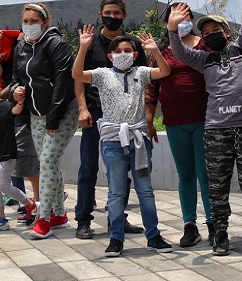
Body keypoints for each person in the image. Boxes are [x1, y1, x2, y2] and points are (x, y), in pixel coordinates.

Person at [166, 0, 242, 256]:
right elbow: (181, 54)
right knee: (217, 185)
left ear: (227, 33)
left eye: (216, 31)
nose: (211, 34)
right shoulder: (202, 59)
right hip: (217, 130)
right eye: (206, 32)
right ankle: (219, 233)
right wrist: (173, 30)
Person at [72, 26, 174, 257]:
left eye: (128, 50)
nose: (123, 54)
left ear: (135, 54)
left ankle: (154, 235)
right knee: (116, 192)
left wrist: (155, 50)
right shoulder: (102, 74)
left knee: (145, 190)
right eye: (118, 51)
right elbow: (77, 75)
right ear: (110, 56)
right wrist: (83, 47)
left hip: (139, 139)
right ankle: (116, 238)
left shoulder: (142, 72)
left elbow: (164, 72)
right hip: (112, 142)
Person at [73, 0, 146, 240]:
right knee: (89, 167)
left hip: (125, 117)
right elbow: (78, 77)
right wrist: (83, 109)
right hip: (95, 113)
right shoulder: (90, 42)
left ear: (124, 15)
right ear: (100, 13)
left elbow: (143, 80)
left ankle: (118, 218)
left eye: (116, 12)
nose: (111, 16)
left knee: (122, 168)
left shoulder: (133, 43)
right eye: (107, 12)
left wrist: (146, 117)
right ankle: (83, 219)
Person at [147, 1, 212, 247]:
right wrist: (149, 117)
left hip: (205, 118)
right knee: (185, 174)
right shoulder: (161, 51)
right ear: (168, 22)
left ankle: (214, 223)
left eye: (185, 16)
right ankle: (189, 225)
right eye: (175, 16)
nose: (181, 21)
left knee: (205, 173)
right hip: (175, 121)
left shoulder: (204, 45)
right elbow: (151, 85)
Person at [12, 2, 76, 240]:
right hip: (35, 113)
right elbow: (16, 78)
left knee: (47, 160)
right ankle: (59, 215)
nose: (29, 25)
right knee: (49, 163)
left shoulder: (56, 44)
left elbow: (62, 83)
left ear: (45, 22)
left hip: (62, 112)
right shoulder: (21, 47)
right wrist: (15, 91)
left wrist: (54, 118)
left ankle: (44, 218)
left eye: (33, 21)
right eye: (25, 21)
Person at [0, 74, 35, 232]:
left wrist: (20, 101)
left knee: (3, 185)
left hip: (5, 154)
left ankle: (29, 205)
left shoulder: (4, 105)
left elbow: (16, 110)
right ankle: (0, 218)